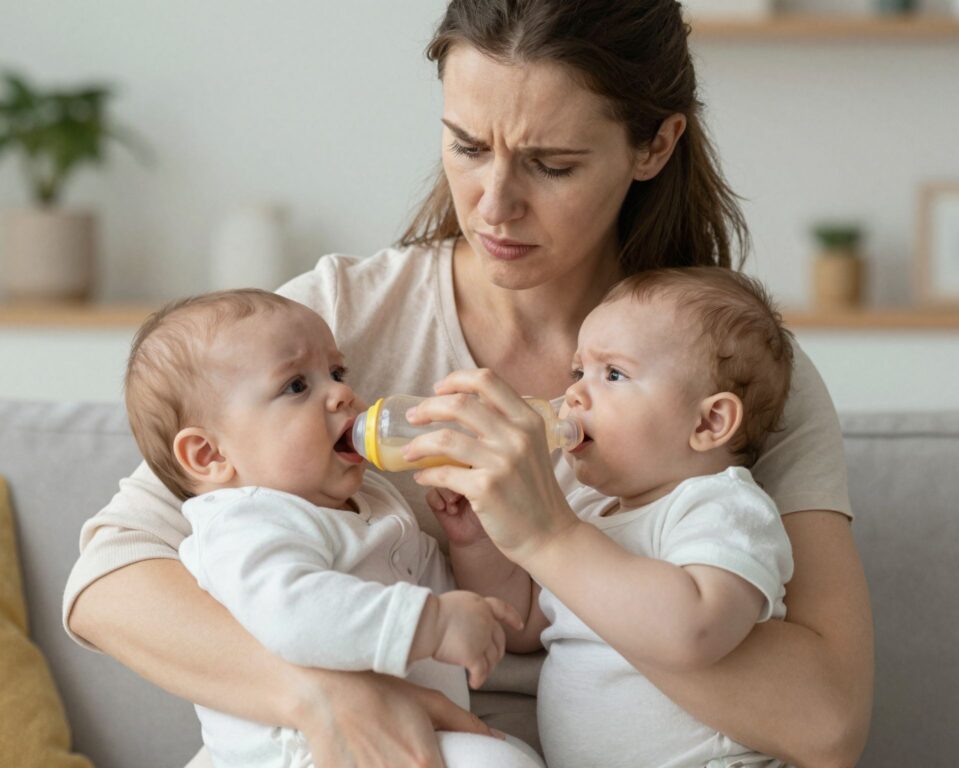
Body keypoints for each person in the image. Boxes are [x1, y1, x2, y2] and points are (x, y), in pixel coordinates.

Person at [63, 2, 873, 767]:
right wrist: (313, 696)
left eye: (551, 165)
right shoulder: (326, 327)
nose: (493, 206)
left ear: (654, 146)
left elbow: (827, 723)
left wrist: (546, 535)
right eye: (467, 146)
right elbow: (109, 581)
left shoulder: (729, 372)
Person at [122, 288, 543, 768]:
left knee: (511, 755)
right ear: (210, 456)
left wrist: (472, 546)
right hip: (303, 750)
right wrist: (432, 622)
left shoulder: (370, 504)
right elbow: (291, 611)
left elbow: (450, 602)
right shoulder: (244, 521)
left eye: (337, 373)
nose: (343, 393)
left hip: (402, 734)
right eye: (296, 386)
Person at [417, 268, 797, 767]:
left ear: (708, 422)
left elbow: (695, 630)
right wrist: (476, 542)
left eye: (612, 374)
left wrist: (557, 535)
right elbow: (528, 625)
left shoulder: (721, 507)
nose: (573, 394)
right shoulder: (590, 511)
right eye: (578, 372)